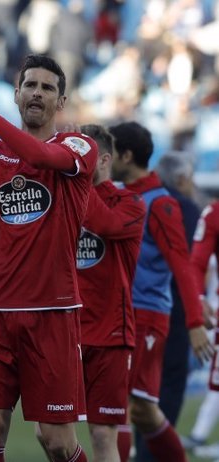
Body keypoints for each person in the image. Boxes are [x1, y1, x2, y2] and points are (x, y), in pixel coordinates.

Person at [0, 43, 98, 462]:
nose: (37, 93)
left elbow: (39, 155)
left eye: (47, 87)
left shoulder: (78, 147)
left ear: (60, 101)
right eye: (30, 85)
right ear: (17, 93)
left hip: (52, 315)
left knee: (58, 442)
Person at [108, 121, 213, 462]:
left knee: (142, 409)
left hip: (147, 316)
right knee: (115, 408)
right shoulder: (123, 195)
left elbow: (183, 265)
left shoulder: (161, 203)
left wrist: (195, 322)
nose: (105, 159)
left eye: (110, 151)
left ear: (126, 155)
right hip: (119, 314)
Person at [74, 124, 145, 462]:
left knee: (103, 435)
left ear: (101, 160)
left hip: (109, 335)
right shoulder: (64, 198)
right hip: (64, 333)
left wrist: (79, 180)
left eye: (82, 155)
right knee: (49, 434)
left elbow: (107, 226)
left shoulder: (130, 204)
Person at [135, 151, 203, 462]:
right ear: (182, 178)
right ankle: (158, 453)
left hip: (137, 307)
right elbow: (189, 262)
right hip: (173, 307)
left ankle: (143, 452)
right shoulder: (185, 208)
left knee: (142, 388)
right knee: (170, 384)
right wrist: (198, 311)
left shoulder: (139, 200)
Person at [184, 190, 219, 456]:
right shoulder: (213, 214)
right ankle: (199, 435)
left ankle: (199, 436)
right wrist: (198, 297)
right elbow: (196, 263)